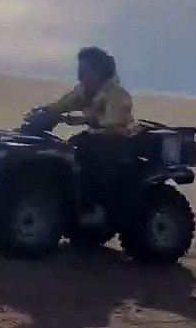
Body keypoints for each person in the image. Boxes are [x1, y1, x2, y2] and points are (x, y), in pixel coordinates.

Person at [42, 46, 137, 213]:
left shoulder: (116, 94)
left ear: (100, 72)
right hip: (94, 139)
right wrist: (46, 112)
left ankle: (94, 208)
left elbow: (113, 123)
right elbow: (64, 103)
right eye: (80, 70)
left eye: (86, 71)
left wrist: (82, 119)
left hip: (115, 142)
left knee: (89, 162)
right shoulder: (85, 91)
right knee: (64, 151)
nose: (81, 76)